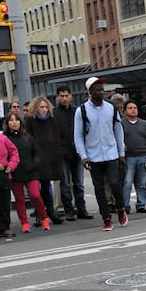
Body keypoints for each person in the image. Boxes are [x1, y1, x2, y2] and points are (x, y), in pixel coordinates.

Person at [73, 76, 127, 231]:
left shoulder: (111, 107)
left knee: (115, 182)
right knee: (99, 188)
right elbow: (77, 135)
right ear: (90, 92)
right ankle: (106, 217)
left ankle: (121, 208)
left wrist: (120, 152)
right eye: (97, 90)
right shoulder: (81, 111)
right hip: (93, 155)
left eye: (102, 89)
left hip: (111, 153)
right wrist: (83, 156)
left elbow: (118, 130)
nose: (101, 92)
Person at [3, 112, 49, 232]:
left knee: (35, 195)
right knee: (20, 199)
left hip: (31, 172)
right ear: (7, 124)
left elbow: (37, 153)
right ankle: (24, 222)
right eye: (11, 120)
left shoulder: (28, 137)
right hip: (15, 173)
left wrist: (34, 164)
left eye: (16, 120)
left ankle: (44, 218)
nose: (14, 122)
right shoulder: (4, 139)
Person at [24, 96, 65, 224]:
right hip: (37, 156)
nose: (44, 110)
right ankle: (39, 213)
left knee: (46, 186)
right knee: (37, 188)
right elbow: (28, 138)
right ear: (36, 107)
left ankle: (50, 212)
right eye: (41, 107)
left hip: (50, 156)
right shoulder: (30, 120)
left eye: (46, 107)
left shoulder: (52, 120)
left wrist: (58, 152)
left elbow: (57, 135)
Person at [54, 87, 89, 220]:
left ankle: (81, 209)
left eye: (66, 95)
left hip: (77, 152)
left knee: (79, 183)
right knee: (65, 183)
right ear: (58, 97)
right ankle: (69, 209)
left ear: (71, 96)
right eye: (61, 96)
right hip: (62, 152)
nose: (64, 98)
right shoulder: (54, 113)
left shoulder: (77, 111)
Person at [120, 100, 146, 214]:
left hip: (143, 156)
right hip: (128, 158)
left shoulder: (144, 124)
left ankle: (141, 204)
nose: (133, 110)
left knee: (141, 183)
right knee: (127, 182)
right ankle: (125, 206)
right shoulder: (121, 124)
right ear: (125, 111)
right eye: (130, 108)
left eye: (135, 107)